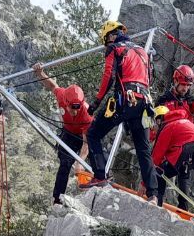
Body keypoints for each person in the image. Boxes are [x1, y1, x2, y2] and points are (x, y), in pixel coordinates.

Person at [86, 20, 158, 200]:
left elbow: (108, 76)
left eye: (106, 41)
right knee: (143, 149)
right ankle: (153, 194)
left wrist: (95, 103)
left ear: (111, 36)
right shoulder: (142, 51)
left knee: (93, 134)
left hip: (125, 99)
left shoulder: (115, 49)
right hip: (144, 103)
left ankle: (100, 176)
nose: (106, 46)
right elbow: (150, 78)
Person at [32, 63, 92, 206]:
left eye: (78, 108)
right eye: (72, 108)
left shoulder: (87, 115)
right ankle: (57, 199)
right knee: (65, 163)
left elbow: (86, 143)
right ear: (66, 102)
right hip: (68, 133)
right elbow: (53, 86)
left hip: (81, 136)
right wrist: (41, 73)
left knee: (90, 161)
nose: (75, 111)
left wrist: (80, 161)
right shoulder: (62, 96)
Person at [150, 105, 194, 218]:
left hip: (190, 154)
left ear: (158, 120)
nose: (153, 127)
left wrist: (144, 183)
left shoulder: (167, 127)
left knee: (159, 173)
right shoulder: (183, 122)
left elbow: (155, 158)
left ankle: (155, 204)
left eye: (153, 123)